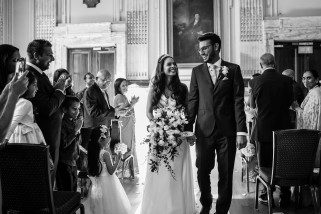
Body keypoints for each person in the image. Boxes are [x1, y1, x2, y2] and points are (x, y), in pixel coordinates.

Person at [187, 32, 247, 214]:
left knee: (226, 173)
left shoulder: (234, 69)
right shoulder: (197, 71)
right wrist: (188, 129)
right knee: (202, 170)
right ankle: (206, 203)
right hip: (204, 130)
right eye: (199, 49)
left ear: (216, 47)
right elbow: (193, 101)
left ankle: (222, 210)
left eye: (204, 48)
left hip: (227, 131)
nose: (201, 52)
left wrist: (241, 132)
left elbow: (238, 101)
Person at [138, 54, 196, 214]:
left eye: (174, 64)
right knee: (161, 173)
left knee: (176, 174)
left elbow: (187, 112)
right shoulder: (155, 88)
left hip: (178, 139)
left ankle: (177, 209)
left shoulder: (182, 88)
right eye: (169, 64)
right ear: (161, 68)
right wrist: (161, 126)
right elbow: (149, 113)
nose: (173, 66)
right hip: (160, 138)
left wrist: (180, 128)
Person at [250, 53, 293, 208]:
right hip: (284, 129)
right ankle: (285, 196)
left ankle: (265, 194)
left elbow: (252, 107)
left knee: (266, 164)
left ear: (261, 65)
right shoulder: (287, 80)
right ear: (274, 64)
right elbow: (290, 102)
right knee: (284, 162)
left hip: (264, 130)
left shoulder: (255, 81)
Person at [27, 39, 66, 183]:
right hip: (45, 134)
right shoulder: (31, 75)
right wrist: (60, 90)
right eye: (49, 55)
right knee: (45, 177)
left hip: (51, 133)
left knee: (50, 177)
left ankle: (48, 202)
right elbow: (47, 108)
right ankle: (46, 204)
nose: (53, 58)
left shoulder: (40, 75)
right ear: (37, 55)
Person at [87, 125, 131, 214]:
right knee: (110, 203)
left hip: (97, 184)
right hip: (107, 183)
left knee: (100, 204)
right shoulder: (105, 153)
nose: (110, 139)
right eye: (108, 137)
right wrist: (118, 159)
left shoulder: (92, 152)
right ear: (100, 139)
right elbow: (111, 171)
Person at [5, 72, 46, 145]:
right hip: (24, 137)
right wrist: (5, 139)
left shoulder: (13, 100)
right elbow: (14, 121)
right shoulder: (25, 103)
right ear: (25, 86)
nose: (37, 88)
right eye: (34, 85)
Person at [114, 78, 139, 178]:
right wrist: (132, 104)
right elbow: (121, 112)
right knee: (126, 146)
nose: (125, 87)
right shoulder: (119, 97)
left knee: (129, 145)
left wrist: (131, 103)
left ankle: (128, 171)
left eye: (126, 85)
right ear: (118, 87)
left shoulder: (123, 96)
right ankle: (123, 171)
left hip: (128, 125)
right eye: (123, 85)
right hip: (124, 126)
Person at [56, 96, 82, 192]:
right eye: (74, 109)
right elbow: (64, 143)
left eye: (78, 109)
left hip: (73, 160)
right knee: (67, 191)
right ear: (65, 109)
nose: (77, 112)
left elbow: (78, 142)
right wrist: (75, 130)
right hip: (64, 161)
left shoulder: (73, 122)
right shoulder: (62, 123)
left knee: (74, 190)